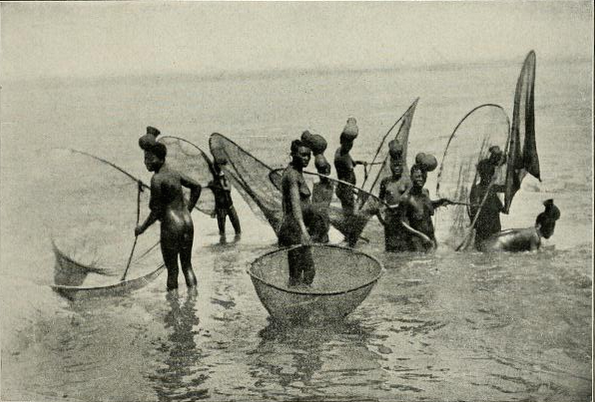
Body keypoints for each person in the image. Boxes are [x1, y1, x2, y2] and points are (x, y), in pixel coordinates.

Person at [135, 134, 202, 291]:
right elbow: (197, 187)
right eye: (145, 159)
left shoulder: (156, 179)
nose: (146, 163)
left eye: (149, 158)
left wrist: (141, 229)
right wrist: (188, 209)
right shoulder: (174, 172)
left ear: (159, 158)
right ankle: (193, 298)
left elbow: (156, 211)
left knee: (172, 271)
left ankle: (174, 309)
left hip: (171, 227)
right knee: (187, 266)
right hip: (187, 222)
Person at [278, 139, 315, 286]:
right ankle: (298, 301)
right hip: (294, 230)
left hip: (296, 228)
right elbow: (295, 205)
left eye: (308, 155)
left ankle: (300, 300)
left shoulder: (296, 172)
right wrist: (303, 230)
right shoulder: (292, 175)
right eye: (302, 155)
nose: (306, 158)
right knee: (300, 271)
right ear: (293, 154)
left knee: (302, 270)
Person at [399, 162, 452, 252]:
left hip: (431, 239)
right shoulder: (406, 198)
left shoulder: (426, 192)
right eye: (418, 176)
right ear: (411, 177)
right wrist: (422, 236)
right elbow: (403, 222)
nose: (421, 179)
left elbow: (424, 207)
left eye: (423, 177)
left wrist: (440, 202)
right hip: (417, 242)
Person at [481, 199, 561, 252]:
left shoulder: (531, 231)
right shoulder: (535, 237)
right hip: (495, 248)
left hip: (490, 241)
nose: (552, 231)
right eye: (552, 228)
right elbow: (532, 257)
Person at [334, 118, 366, 246]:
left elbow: (351, 163)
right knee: (350, 214)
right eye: (349, 143)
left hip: (345, 188)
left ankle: (349, 236)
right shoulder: (343, 155)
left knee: (348, 213)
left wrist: (360, 162)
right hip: (345, 189)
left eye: (352, 143)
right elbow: (349, 167)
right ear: (343, 142)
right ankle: (350, 239)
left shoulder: (342, 152)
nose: (350, 145)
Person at [376, 140, 412, 252]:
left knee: (403, 249)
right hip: (390, 221)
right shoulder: (385, 182)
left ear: (403, 165)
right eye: (394, 165)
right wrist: (381, 219)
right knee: (390, 249)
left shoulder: (407, 182)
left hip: (403, 221)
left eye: (399, 165)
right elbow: (380, 201)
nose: (396, 168)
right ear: (390, 165)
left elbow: (411, 203)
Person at [469, 146, 507, 249]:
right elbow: (473, 210)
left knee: (492, 251)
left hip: (494, 227)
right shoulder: (477, 190)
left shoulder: (492, 188)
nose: (488, 177)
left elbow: (506, 190)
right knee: (483, 250)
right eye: (486, 174)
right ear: (481, 174)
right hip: (483, 229)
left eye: (490, 174)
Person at [208, 161, 241, 242]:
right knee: (222, 232)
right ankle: (223, 243)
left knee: (238, 230)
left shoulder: (226, 179)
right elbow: (214, 197)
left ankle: (233, 242)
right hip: (220, 209)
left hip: (230, 206)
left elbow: (227, 189)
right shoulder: (214, 183)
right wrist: (215, 210)